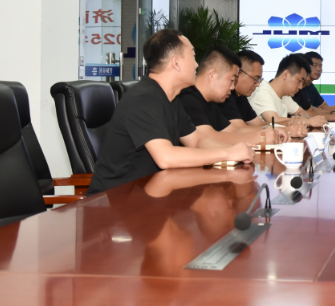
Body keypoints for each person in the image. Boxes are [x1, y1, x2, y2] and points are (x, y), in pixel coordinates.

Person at [87, 29, 256, 195]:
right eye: (193, 56)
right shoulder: (144, 98)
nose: (197, 65)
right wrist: (228, 154)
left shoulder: (171, 99)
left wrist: (237, 150)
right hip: (114, 201)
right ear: (176, 63)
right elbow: (166, 157)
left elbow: (197, 140)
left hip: (149, 193)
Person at [178, 46, 290, 145]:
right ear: (212, 74)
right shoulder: (187, 98)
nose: (232, 87)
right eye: (231, 80)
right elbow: (208, 137)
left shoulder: (211, 102)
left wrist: (273, 131)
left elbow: (234, 130)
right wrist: (261, 137)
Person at [249, 53, 328, 128]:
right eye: (299, 81)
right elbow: (274, 121)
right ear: (286, 75)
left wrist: (300, 119)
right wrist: (308, 121)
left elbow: (301, 112)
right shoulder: (262, 90)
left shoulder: (285, 96)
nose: (300, 87)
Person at [291, 54, 335, 122]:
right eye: (315, 65)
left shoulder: (309, 87)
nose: (319, 69)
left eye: (320, 66)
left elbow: (312, 110)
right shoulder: (295, 90)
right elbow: (303, 113)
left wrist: (333, 112)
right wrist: (333, 115)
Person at [219, 49, 266, 126]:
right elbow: (241, 129)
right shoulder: (226, 96)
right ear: (238, 73)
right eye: (255, 79)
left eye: (259, 80)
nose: (258, 84)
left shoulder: (241, 97)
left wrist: (286, 124)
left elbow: (260, 125)